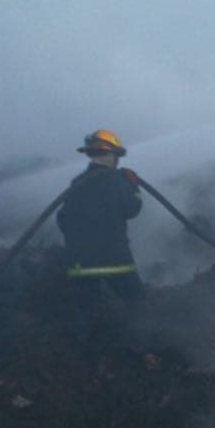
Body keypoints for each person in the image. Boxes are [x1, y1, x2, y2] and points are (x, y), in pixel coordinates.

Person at [57, 130, 145, 337]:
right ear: (112, 155)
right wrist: (135, 187)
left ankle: (84, 354)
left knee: (85, 312)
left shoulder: (77, 184)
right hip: (115, 260)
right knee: (138, 303)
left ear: (92, 155)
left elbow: (63, 220)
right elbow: (133, 209)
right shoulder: (120, 180)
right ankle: (143, 346)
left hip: (79, 263)